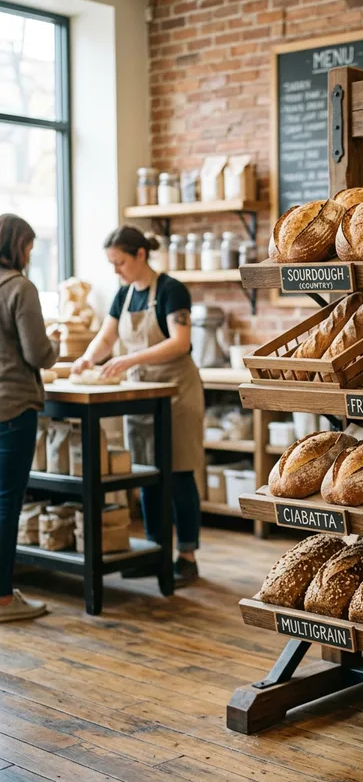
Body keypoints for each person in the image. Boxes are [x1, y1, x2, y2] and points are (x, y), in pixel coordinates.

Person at [73, 226, 204, 586]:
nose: (116, 270)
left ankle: (187, 557)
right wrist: (87, 359)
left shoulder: (171, 290)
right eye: (112, 264)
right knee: (147, 474)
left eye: (120, 262)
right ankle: (154, 552)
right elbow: (107, 337)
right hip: (141, 395)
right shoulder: (124, 294)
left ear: (141, 255)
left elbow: (180, 342)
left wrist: (128, 360)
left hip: (177, 393)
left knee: (178, 474)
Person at [0, 214, 58, 622]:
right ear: (17, 245)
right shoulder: (20, 287)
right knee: (6, 504)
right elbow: (37, 353)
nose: (31, 255)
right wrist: (55, 343)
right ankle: (3, 598)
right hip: (13, 407)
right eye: (30, 247)